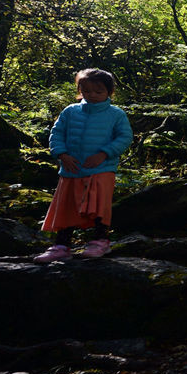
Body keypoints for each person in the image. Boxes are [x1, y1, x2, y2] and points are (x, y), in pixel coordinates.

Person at [34, 68, 133, 262]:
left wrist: (104, 153)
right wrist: (62, 154)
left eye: (98, 92)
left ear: (109, 92)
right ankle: (61, 246)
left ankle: (100, 242)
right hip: (72, 169)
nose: (92, 95)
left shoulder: (116, 114)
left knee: (98, 205)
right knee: (67, 206)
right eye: (87, 91)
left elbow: (125, 137)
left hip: (102, 169)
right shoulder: (70, 111)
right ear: (80, 90)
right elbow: (57, 133)